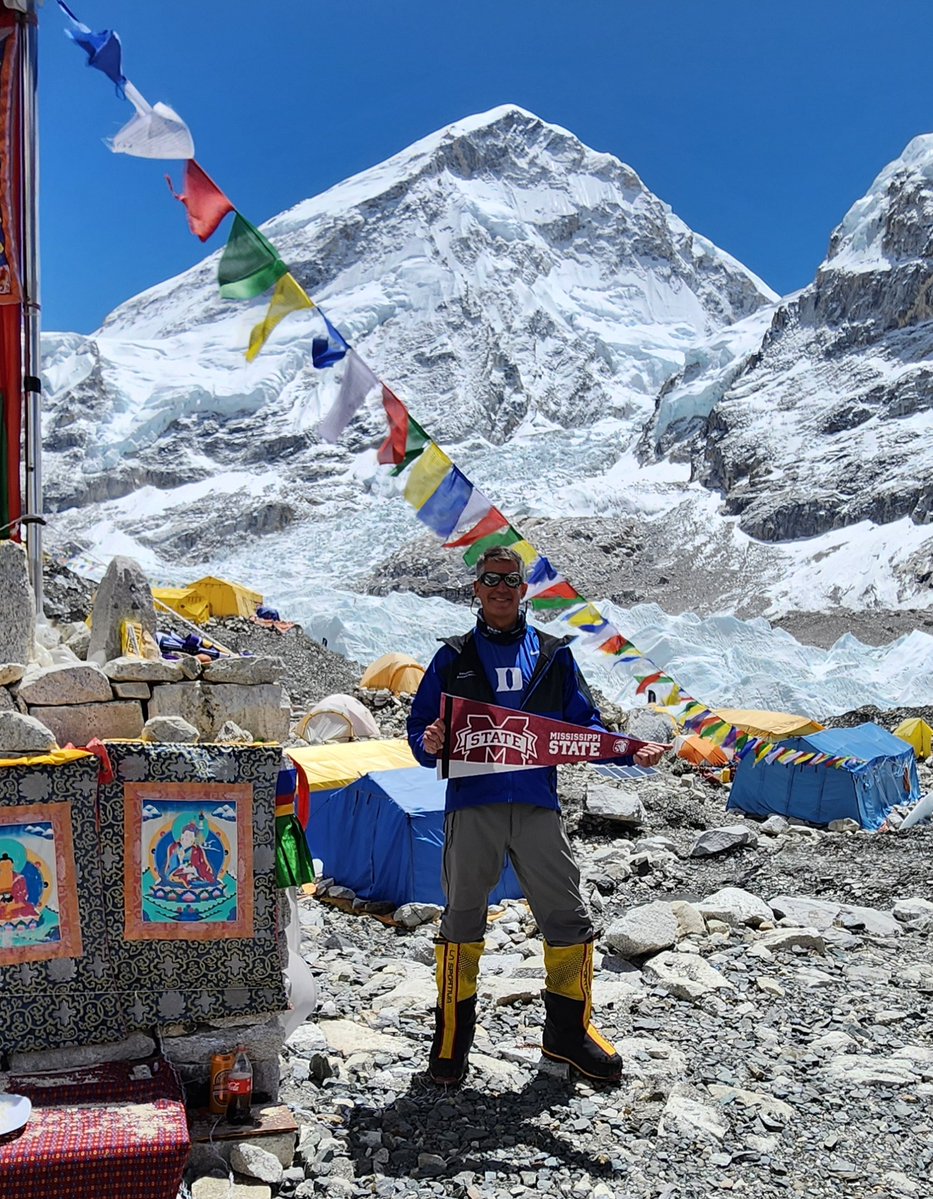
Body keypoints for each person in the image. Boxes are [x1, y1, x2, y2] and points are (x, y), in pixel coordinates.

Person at [408, 548, 665, 1086]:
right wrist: (430, 741)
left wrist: (626, 750)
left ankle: (569, 1035)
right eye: (490, 580)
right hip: (472, 805)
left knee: (567, 914)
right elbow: (420, 735)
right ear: (475, 589)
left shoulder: (553, 655)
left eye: (511, 580)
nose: (501, 588)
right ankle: (451, 1040)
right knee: (461, 919)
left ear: (524, 590)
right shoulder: (452, 658)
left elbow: (584, 726)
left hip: (536, 804)